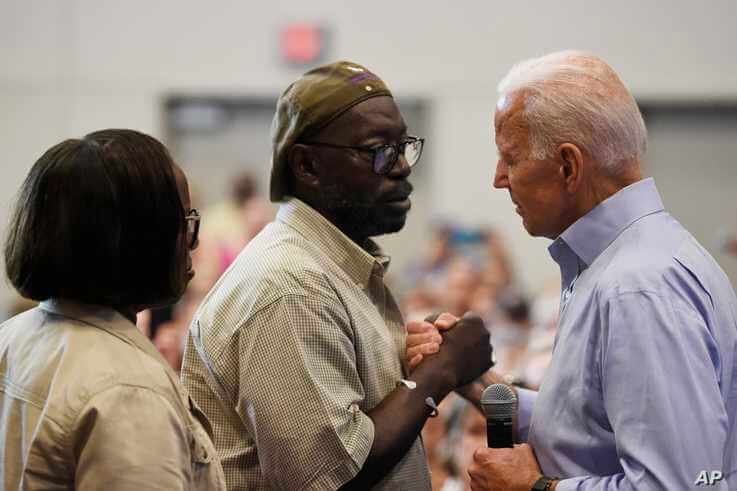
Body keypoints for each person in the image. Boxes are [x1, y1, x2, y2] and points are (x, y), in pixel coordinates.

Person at [409, 51, 737, 490]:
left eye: (511, 158)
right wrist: (481, 386)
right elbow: (590, 429)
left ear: (568, 166)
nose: (498, 178)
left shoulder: (637, 287)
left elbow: (684, 485)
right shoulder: (620, 264)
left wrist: (536, 489)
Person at [180, 60, 493, 490]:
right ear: (307, 166)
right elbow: (329, 479)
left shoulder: (336, 269)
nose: (401, 166)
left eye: (404, 147)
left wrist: (407, 367)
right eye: (378, 151)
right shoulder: (290, 286)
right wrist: (440, 372)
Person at [0, 129, 225, 490]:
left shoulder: (13, 336)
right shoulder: (130, 393)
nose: (191, 243)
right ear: (137, 239)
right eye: (183, 223)